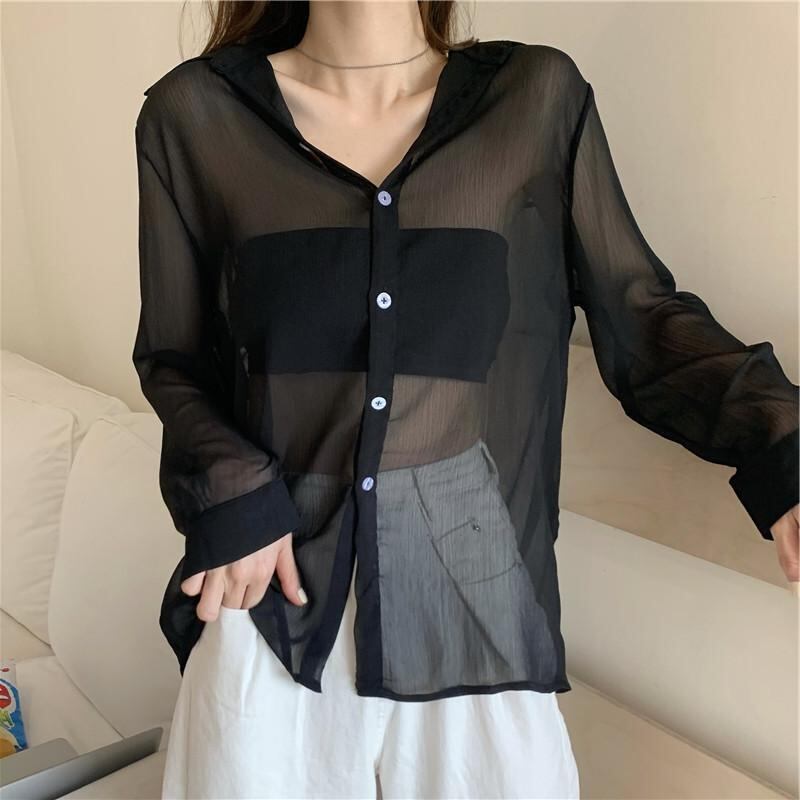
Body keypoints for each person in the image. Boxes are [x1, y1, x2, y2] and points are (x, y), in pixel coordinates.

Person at [132, 1, 800, 798]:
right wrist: (233, 492)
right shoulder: (197, 116)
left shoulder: (534, 101)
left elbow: (642, 319)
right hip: (273, 597)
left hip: (473, 587)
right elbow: (175, 357)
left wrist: (783, 441)